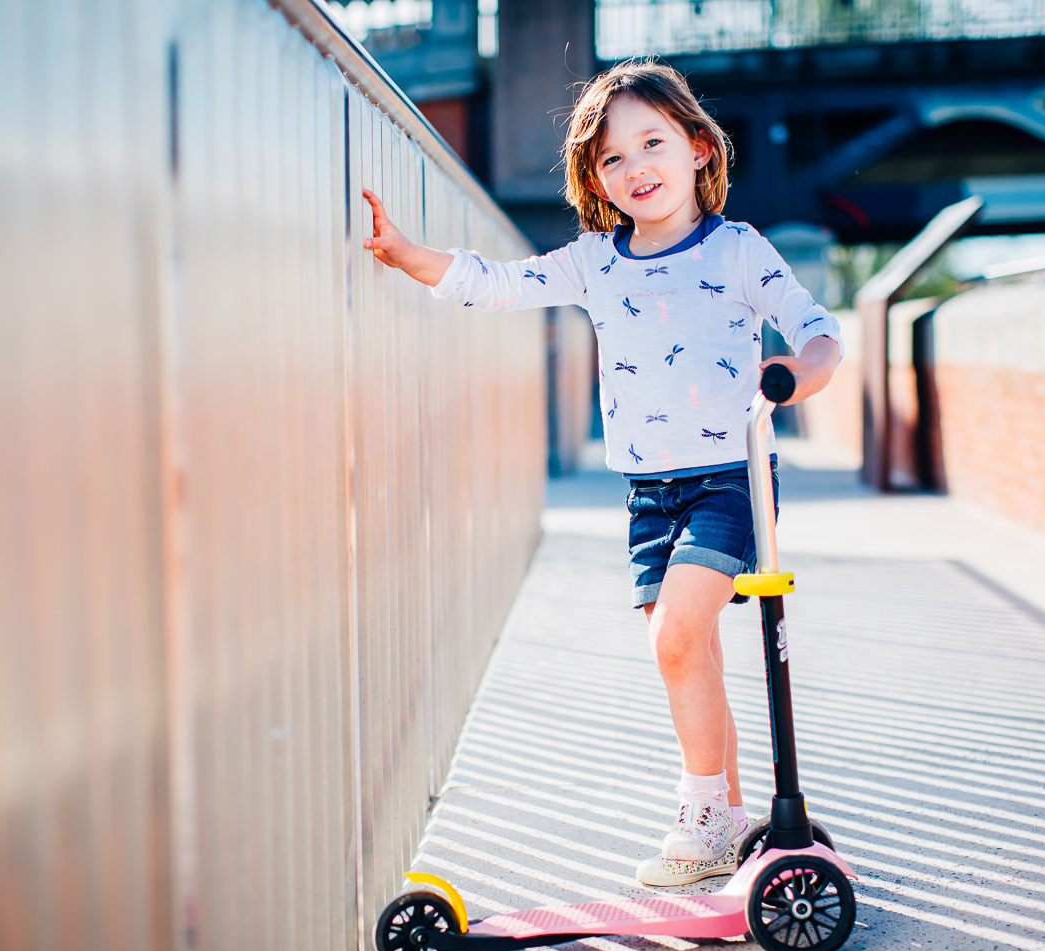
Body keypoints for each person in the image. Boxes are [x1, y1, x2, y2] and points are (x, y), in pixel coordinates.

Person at [360, 59, 842, 887]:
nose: (634, 168)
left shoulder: (735, 250)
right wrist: (410, 257)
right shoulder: (596, 261)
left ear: (697, 148)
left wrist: (801, 372)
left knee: (675, 636)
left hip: (731, 481)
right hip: (647, 493)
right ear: (594, 177)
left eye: (652, 143)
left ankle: (699, 805)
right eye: (611, 159)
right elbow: (499, 285)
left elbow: (815, 327)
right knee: (691, 654)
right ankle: (720, 814)